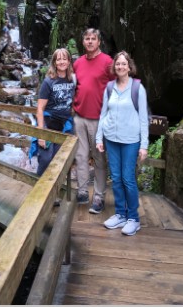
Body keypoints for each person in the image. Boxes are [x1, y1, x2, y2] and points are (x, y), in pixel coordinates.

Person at [95, 51, 149, 236]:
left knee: (128, 179)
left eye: (123, 64)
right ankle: (120, 214)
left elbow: (143, 119)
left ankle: (133, 218)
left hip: (130, 140)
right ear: (114, 67)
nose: (120, 67)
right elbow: (103, 114)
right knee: (116, 178)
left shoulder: (137, 88)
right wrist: (99, 138)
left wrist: (144, 145)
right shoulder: (110, 87)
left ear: (129, 66)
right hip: (111, 139)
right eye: (117, 64)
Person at [73, 28, 115, 214]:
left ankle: (98, 196)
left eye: (93, 39)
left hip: (99, 119)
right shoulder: (78, 63)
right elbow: (73, 86)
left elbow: (117, 86)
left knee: (99, 158)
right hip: (79, 117)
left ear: (99, 42)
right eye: (87, 39)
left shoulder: (107, 62)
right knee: (81, 156)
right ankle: (82, 191)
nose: (90, 41)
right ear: (83, 42)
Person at [35, 48, 76, 178]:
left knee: (59, 159)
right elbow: (40, 109)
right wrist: (41, 134)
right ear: (54, 62)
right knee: (46, 158)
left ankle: (54, 188)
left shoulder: (72, 80)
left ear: (69, 61)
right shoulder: (48, 81)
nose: (62, 62)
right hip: (49, 124)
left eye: (64, 59)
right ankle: (39, 185)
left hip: (65, 126)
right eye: (58, 59)